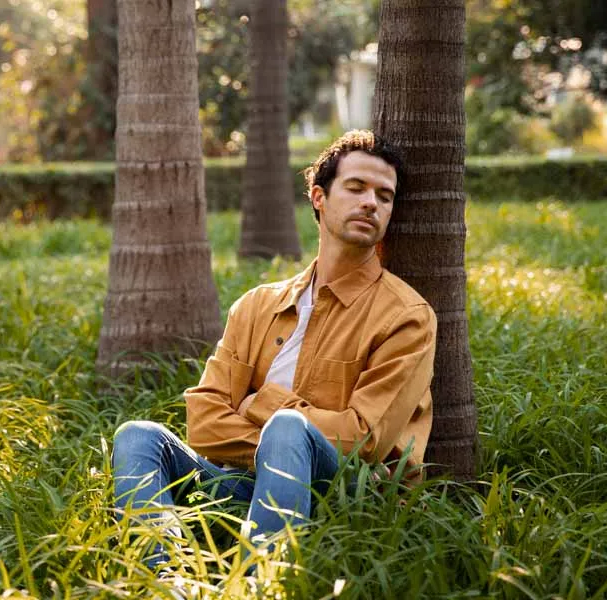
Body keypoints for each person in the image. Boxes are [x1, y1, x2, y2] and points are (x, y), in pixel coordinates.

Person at [111, 130, 437, 573]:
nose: (371, 204)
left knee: (287, 427)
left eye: (385, 196)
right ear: (319, 197)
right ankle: (161, 579)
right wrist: (279, 449)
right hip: (243, 485)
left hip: (346, 496)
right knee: (137, 436)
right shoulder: (257, 305)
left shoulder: (406, 316)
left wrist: (259, 405)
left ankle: (258, 583)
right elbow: (203, 422)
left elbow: (363, 441)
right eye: (356, 188)